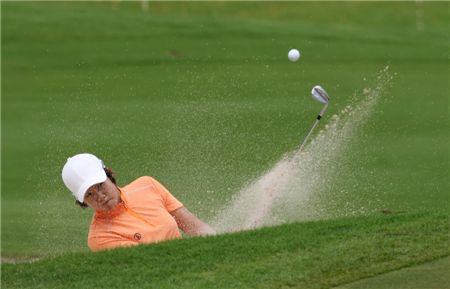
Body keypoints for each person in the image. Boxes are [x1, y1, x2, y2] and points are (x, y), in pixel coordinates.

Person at [62, 153, 216, 252]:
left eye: (100, 185)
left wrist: (217, 247)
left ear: (108, 175)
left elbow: (196, 228)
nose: (99, 196)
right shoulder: (99, 238)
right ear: (82, 202)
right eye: (89, 194)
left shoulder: (147, 185)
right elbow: (153, 260)